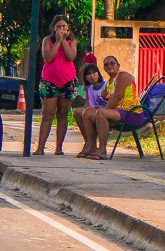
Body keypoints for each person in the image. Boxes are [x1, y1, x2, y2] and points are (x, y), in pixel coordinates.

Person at [80, 55, 140, 160]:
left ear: (118, 65)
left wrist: (100, 112)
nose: (110, 65)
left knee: (101, 113)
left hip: (132, 113)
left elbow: (117, 97)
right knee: (87, 112)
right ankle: (92, 147)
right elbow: (107, 97)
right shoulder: (109, 83)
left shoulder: (123, 76)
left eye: (112, 63)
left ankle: (102, 150)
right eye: (106, 64)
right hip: (118, 113)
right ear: (103, 68)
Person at [35, 14, 78, 155]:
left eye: (64, 26)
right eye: (58, 26)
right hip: (49, 81)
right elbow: (48, 57)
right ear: (53, 28)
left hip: (68, 81)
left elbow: (71, 57)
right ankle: (40, 148)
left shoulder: (72, 41)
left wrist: (64, 41)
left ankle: (59, 148)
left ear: (68, 28)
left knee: (63, 114)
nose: (61, 28)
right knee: (47, 114)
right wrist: (58, 41)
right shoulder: (47, 40)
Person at [73, 63, 107, 157]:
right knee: (77, 112)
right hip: (94, 111)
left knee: (87, 112)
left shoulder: (106, 85)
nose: (92, 76)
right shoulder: (90, 89)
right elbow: (90, 105)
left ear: (98, 73)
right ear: (85, 78)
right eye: (89, 74)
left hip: (104, 113)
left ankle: (92, 145)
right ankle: (89, 142)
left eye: (94, 73)